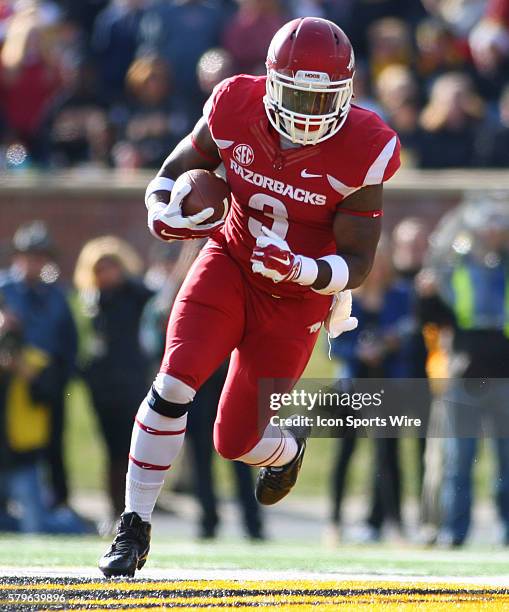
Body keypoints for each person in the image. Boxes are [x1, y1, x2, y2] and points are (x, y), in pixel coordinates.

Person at [99, 16, 400, 577]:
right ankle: (133, 526)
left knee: (235, 440)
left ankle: (287, 448)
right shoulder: (235, 103)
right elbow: (172, 171)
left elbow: (358, 265)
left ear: (347, 93)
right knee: (172, 383)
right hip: (230, 264)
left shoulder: (367, 145)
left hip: (297, 297)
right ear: (270, 82)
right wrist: (161, 210)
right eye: (298, 95)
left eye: (322, 98)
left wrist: (302, 267)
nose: (309, 112)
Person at [74, 236, 153, 522]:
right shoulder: (89, 303)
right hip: (104, 390)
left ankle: (134, 513)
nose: (106, 274)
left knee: (133, 451)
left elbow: (153, 302)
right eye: (100, 269)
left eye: (111, 267)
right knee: (113, 452)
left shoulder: (136, 295)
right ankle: (115, 512)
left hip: (132, 384)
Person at [0, 221, 77, 511]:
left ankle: (58, 502)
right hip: (8, 379)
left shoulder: (57, 295)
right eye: (29, 255)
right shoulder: (4, 289)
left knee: (53, 443)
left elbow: (68, 342)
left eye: (40, 256)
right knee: (10, 442)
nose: (34, 262)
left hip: (45, 381)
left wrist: (59, 381)